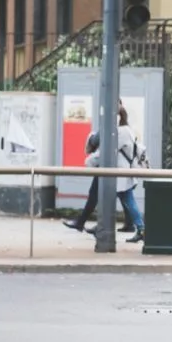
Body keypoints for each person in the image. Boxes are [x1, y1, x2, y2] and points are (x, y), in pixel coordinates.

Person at [64, 131, 134, 234]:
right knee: (123, 196)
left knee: (97, 195)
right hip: (117, 167)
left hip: (108, 167)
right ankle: (129, 224)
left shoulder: (116, 130)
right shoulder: (123, 130)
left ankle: (89, 224)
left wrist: (90, 160)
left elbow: (102, 148)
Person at [116, 103, 145, 243]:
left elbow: (112, 147)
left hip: (122, 171)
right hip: (124, 171)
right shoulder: (127, 130)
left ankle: (141, 228)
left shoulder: (121, 132)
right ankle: (132, 225)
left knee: (128, 199)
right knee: (125, 198)